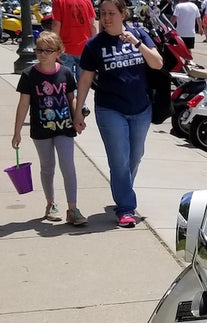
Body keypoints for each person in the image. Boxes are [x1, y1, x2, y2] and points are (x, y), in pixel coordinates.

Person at [72, 0, 163, 228]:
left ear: (123, 14)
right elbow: (85, 79)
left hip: (141, 108)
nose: (106, 18)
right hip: (110, 109)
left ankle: (123, 191)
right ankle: (125, 207)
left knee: (135, 156)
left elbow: (158, 63)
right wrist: (78, 111)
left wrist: (137, 43)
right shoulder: (94, 45)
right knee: (119, 161)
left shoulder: (139, 34)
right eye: (103, 13)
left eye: (112, 13)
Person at [12, 31, 87, 225]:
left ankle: (73, 208)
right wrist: (17, 132)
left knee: (68, 166)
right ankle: (50, 203)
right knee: (47, 167)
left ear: (58, 52)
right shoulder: (29, 75)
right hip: (41, 129)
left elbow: (72, 99)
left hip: (64, 127)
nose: (42, 54)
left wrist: (77, 117)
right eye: (39, 50)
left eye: (48, 50)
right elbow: (23, 105)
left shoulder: (65, 72)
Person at [50, 0, 97, 116]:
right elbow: (93, 25)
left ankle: (73, 107)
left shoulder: (59, 1)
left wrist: (53, 46)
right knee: (83, 81)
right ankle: (82, 105)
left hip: (65, 48)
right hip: (85, 48)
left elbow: (56, 24)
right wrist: (95, 45)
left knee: (68, 82)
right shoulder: (87, 1)